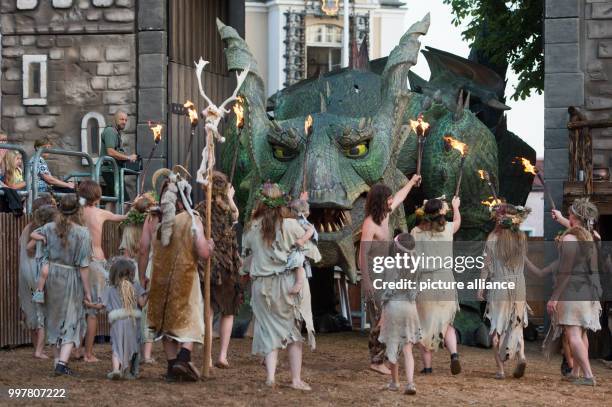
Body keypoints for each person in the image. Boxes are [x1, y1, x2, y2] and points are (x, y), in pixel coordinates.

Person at [242, 182, 321, 390]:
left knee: (268, 331)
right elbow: (314, 253)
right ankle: (295, 380)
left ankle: (270, 377)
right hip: (287, 285)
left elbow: (246, 257)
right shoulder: (291, 225)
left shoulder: (251, 227)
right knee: (294, 333)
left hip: (261, 287)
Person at [139, 168, 214, 382]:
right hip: (185, 277)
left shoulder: (152, 219)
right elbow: (203, 252)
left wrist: (142, 275)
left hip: (158, 277)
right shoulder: (192, 219)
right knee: (188, 317)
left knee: (165, 321)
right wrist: (210, 246)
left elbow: (143, 249)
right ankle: (183, 357)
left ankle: (172, 367)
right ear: (184, 196)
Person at [526, 198, 602, 386]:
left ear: (575, 216)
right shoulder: (591, 236)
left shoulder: (569, 239)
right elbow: (576, 228)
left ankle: (588, 375)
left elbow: (566, 272)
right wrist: (560, 218)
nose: (568, 215)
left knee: (573, 334)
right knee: (582, 334)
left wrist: (554, 298)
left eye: (569, 213)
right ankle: (576, 372)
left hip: (572, 292)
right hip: (587, 291)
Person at [359, 175, 421, 375]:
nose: (392, 200)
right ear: (380, 200)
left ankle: (381, 358)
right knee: (380, 318)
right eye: (388, 198)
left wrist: (411, 182)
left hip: (385, 274)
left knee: (386, 316)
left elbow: (401, 197)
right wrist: (366, 280)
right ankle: (376, 361)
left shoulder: (384, 216)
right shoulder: (370, 224)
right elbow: (362, 254)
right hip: (373, 276)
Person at [31, 194, 92, 376]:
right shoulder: (82, 233)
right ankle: (62, 364)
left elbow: (35, 236)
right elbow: (83, 266)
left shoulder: (49, 227)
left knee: (55, 318)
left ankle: (58, 360)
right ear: (78, 211)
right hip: (70, 278)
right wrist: (88, 291)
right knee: (71, 320)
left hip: (51, 277)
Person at [478, 204, 531, 380]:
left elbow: (485, 266)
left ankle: (500, 370)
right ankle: (521, 356)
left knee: (496, 328)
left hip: (499, 285)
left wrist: (480, 287)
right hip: (519, 285)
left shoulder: (492, 238)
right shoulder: (521, 237)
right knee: (516, 323)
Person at [194, 171, 242, 369]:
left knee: (209, 311)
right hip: (226, 267)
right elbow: (235, 215)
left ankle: (209, 357)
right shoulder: (228, 210)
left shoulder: (200, 209)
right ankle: (222, 355)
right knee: (228, 312)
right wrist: (230, 198)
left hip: (209, 267)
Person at [77, 179, 127, 362]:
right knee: (92, 310)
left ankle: (77, 349)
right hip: (95, 263)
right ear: (96, 196)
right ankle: (88, 353)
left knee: (80, 307)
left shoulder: (76, 213)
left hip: (77, 263)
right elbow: (122, 218)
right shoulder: (100, 213)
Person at [411, 196, 462, 375]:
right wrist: (456, 206)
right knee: (446, 323)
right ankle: (454, 354)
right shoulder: (447, 229)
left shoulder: (416, 232)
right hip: (446, 280)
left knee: (424, 325)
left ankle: (428, 367)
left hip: (426, 282)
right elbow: (457, 221)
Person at [88, 257, 148, 380]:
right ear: (131, 272)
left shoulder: (110, 288)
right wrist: (147, 292)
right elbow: (142, 303)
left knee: (116, 347)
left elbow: (101, 305)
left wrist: (89, 304)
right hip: (132, 322)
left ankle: (116, 369)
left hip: (117, 323)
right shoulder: (135, 286)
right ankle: (127, 372)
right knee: (130, 346)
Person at [378, 233, 421, 395]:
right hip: (410, 308)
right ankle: (410, 383)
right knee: (408, 349)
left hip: (393, 308)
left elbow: (386, 291)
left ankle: (395, 382)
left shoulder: (389, 265)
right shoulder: (416, 265)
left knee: (393, 346)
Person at [119, 193, 156, 364]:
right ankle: (145, 354)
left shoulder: (128, 228)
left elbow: (126, 256)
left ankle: (130, 350)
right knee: (147, 312)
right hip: (147, 270)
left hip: (131, 272)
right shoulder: (152, 226)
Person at [18, 194, 56, 359]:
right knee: (43, 310)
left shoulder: (28, 228)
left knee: (34, 309)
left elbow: (25, 247)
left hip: (28, 273)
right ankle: (40, 349)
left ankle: (37, 346)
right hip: (39, 273)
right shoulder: (47, 230)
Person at [100, 111, 137, 210]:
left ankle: (108, 225)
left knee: (111, 201)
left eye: (126, 120)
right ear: (115, 119)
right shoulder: (110, 131)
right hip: (110, 171)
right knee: (125, 201)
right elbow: (110, 152)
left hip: (113, 170)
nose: (124, 122)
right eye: (121, 119)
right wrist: (128, 157)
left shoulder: (116, 132)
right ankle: (120, 224)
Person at [287, 192, 317, 294]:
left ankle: (299, 282)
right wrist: (302, 199)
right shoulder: (297, 220)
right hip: (298, 247)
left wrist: (302, 240)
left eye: (291, 210)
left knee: (298, 264)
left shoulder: (302, 222)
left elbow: (311, 230)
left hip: (302, 247)